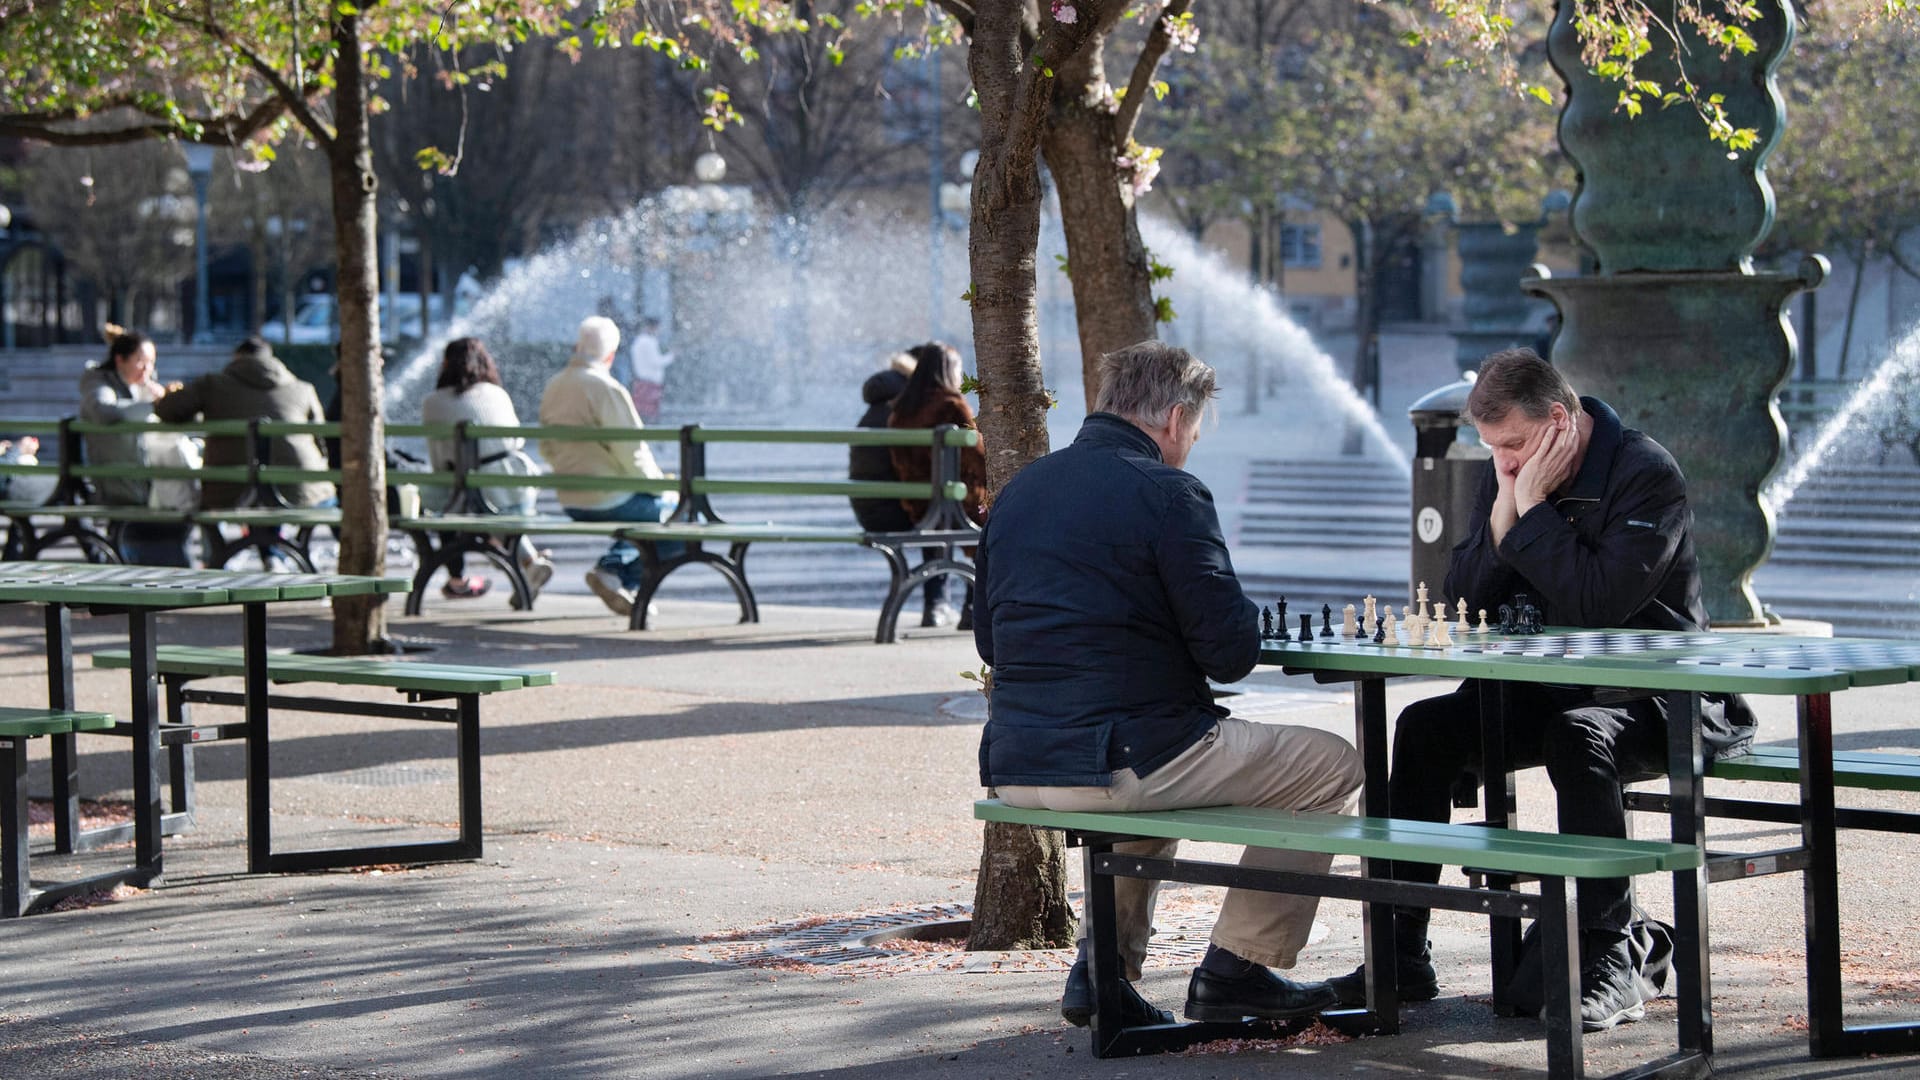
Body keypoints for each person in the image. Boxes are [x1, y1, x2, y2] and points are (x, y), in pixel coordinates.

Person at [1323, 348, 1757, 1032]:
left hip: (1662, 700)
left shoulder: (1645, 473)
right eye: (1494, 447)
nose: (1506, 460)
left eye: (1516, 445)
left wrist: (1529, 512)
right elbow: (1461, 594)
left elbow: (1597, 602)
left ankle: (1610, 954)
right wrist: (1503, 514)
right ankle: (1400, 949)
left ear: (1559, 420)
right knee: (1424, 728)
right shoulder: (1510, 473)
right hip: (1554, 688)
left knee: (1577, 735)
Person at [975, 340, 1364, 1028]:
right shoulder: (1169, 493)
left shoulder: (1020, 492)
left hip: (1017, 764)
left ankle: (1102, 973)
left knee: (1153, 760)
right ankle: (1239, 967)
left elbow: (988, 640)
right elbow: (1229, 652)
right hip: (1115, 759)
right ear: (1178, 419)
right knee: (1329, 764)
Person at [538, 315, 676, 616]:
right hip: (609, 500)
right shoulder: (607, 389)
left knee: (656, 516)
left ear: (577, 346)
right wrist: (659, 485)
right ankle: (618, 573)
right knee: (685, 519)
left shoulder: (554, 386)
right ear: (610, 356)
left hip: (570, 499)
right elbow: (632, 452)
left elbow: (546, 448)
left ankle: (613, 571)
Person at [421, 337, 555, 604]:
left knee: (451, 500)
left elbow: (438, 458)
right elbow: (515, 441)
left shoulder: (432, 402)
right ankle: (527, 562)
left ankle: (460, 578)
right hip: (512, 490)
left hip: (461, 497)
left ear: (445, 364)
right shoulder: (497, 394)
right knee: (495, 507)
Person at [156, 336, 335, 510]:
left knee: (214, 505)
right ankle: (275, 539)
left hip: (229, 491)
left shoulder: (213, 384)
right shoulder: (303, 389)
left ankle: (229, 541)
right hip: (300, 489)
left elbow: (167, 410)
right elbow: (321, 441)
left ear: (237, 358)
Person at [886, 341, 987, 627]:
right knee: (990, 523)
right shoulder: (951, 405)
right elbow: (978, 454)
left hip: (918, 505)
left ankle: (934, 605)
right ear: (947, 370)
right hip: (956, 506)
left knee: (940, 526)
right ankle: (973, 606)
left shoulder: (900, 410)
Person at [78, 331, 194, 565]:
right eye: (141, 361)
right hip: (121, 479)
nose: (148, 368)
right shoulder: (97, 382)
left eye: (151, 362)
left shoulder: (143, 385)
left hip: (145, 475)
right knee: (189, 493)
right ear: (120, 360)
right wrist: (154, 405)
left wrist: (163, 400)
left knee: (192, 484)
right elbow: (104, 411)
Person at [626, 317, 674, 422]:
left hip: (642, 382)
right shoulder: (648, 342)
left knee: (641, 413)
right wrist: (671, 356)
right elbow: (656, 362)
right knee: (648, 415)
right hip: (649, 383)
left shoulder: (639, 341)